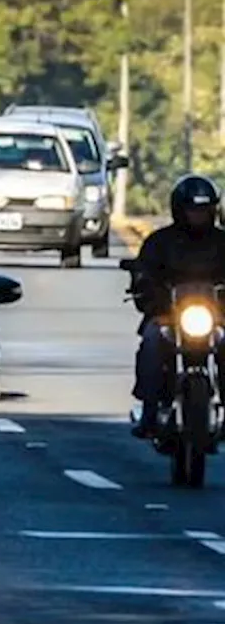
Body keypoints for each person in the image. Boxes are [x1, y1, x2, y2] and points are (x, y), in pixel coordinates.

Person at [128, 174, 225, 437]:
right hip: (169, 316)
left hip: (216, 318)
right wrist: (144, 286)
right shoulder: (160, 242)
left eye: (204, 210)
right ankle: (149, 411)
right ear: (179, 210)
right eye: (193, 210)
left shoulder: (221, 241)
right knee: (151, 342)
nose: (198, 216)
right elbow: (143, 272)